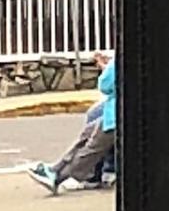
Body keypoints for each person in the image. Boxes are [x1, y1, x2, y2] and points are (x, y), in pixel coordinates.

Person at [30, 52, 116, 194]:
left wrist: (106, 68)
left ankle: (58, 177)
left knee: (91, 149)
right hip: (111, 112)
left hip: (114, 114)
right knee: (87, 134)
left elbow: (105, 85)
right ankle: (55, 169)